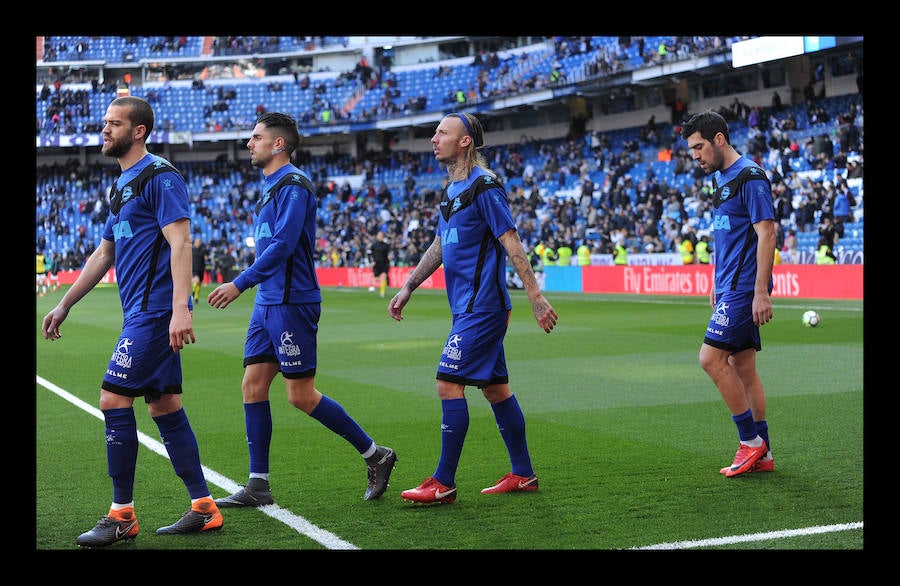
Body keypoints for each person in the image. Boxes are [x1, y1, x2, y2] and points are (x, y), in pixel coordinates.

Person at [40, 96, 223, 547]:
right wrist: (65, 303)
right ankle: (204, 506)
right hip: (141, 314)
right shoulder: (121, 186)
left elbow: (181, 243)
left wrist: (183, 308)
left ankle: (121, 515)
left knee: (112, 400)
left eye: (113, 123)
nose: (104, 130)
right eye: (104, 123)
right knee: (163, 406)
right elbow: (105, 253)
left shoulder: (160, 177)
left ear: (137, 131)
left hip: (156, 313)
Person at [206, 112, 397, 507]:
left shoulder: (294, 186)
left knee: (300, 395)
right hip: (268, 303)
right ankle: (258, 485)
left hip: (292, 303)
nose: (249, 143)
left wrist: (239, 283)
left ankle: (376, 455)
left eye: (256, 137)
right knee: (252, 385)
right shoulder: (269, 187)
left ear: (279, 144)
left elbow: (283, 246)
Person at [388, 112, 558, 505]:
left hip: (483, 308)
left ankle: (442, 481)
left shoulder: (485, 186)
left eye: (442, 132)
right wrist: (410, 285)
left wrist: (535, 295)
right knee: (497, 390)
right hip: (466, 308)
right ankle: (523, 473)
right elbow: (441, 245)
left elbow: (510, 240)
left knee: (448, 383)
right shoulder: (451, 190)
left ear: (465, 141)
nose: (434, 138)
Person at [680, 110, 775, 478]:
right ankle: (764, 454)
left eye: (699, 147)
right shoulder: (719, 178)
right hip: (728, 288)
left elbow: (766, 232)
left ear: (719, 139)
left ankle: (750, 442)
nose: (696, 156)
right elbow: (726, 237)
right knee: (742, 367)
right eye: (691, 150)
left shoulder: (749, 177)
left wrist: (760, 293)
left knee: (710, 360)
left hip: (743, 289)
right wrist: (713, 282)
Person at [369, 230, 391, 298]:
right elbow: (369, 254)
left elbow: (389, 254)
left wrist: (389, 257)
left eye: (382, 236)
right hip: (376, 264)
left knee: (383, 276)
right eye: (379, 236)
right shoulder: (373, 245)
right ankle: (384, 282)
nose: (380, 237)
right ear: (377, 237)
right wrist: (371, 261)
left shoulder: (386, 246)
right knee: (376, 279)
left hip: (384, 263)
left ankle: (382, 293)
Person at [191, 236, 207, 304]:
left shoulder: (203, 250)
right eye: (197, 242)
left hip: (201, 268)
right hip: (194, 268)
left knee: (199, 283)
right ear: (194, 243)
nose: (198, 243)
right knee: (196, 281)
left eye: (199, 242)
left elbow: (206, 258)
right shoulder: (191, 249)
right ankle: (194, 293)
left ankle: (196, 297)